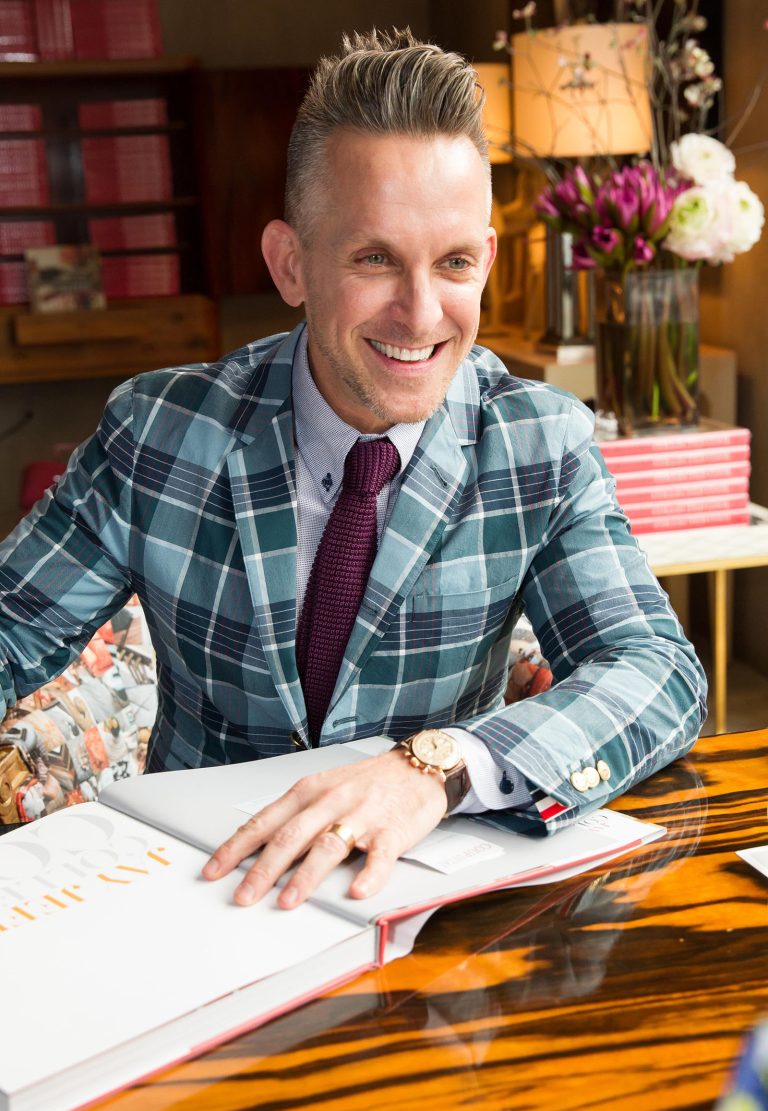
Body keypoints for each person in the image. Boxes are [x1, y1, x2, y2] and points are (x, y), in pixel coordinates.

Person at [0, 29, 707, 909]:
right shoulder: (159, 430)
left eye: (452, 263)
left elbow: (657, 670)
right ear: (290, 264)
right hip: (190, 895)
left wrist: (436, 769)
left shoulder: (540, 442)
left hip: (432, 908)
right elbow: (11, 627)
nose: (419, 315)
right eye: (375, 259)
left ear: (485, 258)